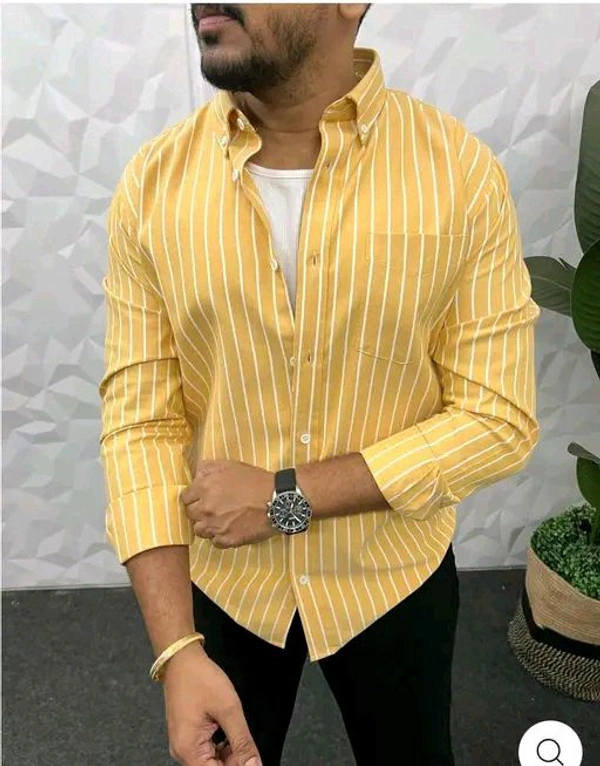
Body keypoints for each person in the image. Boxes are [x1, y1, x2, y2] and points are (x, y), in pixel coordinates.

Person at [98, 4, 540, 765]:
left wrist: (283, 497)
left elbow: (497, 417)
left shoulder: (458, 172)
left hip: (391, 576)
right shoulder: (153, 185)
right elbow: (142, 423)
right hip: (226, 587)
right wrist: (175, 650)